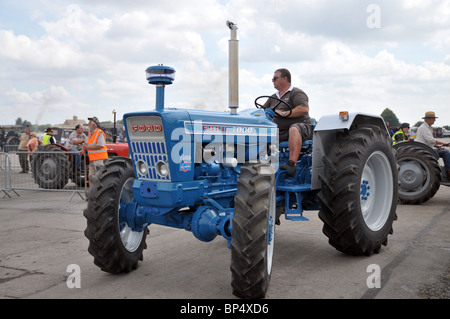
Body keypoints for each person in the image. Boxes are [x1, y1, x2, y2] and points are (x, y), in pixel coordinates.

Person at [263, 68, 313, 176]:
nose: (272, 80)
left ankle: (291, 165)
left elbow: (304, 109)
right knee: (262, 133)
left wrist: (284, 113)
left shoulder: (296, 93)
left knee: (294, 129)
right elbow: (262, 110)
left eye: (275, 78)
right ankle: (262, 163)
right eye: (272, 79)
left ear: (285, 78)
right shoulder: (273, 97)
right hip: (281, 132)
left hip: (302, 128)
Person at [416, 111, 450, 179]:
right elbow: (430, 140)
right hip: (425, 150)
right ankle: (448, 172)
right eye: (433, 118)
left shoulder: (428, 128)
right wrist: (445, 143)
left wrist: (438, 146)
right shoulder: (423, 128)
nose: (435, 120)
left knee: (444, 150)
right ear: (428, 119)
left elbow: (430, 142)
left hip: (428, 148)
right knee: (446, 153)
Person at [80, 117, 108, 186]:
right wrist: (83, 150)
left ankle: (98, 194)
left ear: (94, 125)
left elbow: (100, 146)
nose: (88, 124)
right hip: (92, 158)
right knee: (91, 177)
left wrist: (87, 147)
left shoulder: (99, 133)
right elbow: (86, 143)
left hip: (99, 158)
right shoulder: (90, 132)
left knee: (99, 177)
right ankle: (91, 195)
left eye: (89, 122)